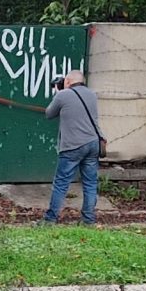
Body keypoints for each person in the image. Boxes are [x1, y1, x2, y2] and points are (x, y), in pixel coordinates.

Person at [38, 68, 104, 226]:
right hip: (93, 143)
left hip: (73, 146)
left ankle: (50, 219)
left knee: (61, 183)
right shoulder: (92, 95)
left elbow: (49, 113)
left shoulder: (63, 95)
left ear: (67, 81)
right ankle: (88, 220)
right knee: (90, 183)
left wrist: (57, 92)